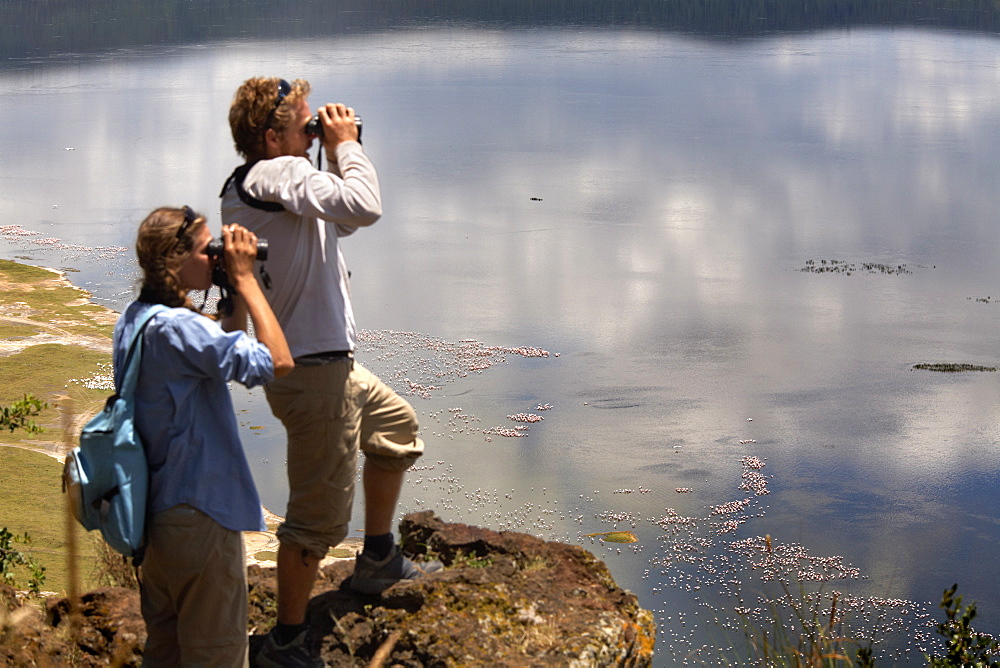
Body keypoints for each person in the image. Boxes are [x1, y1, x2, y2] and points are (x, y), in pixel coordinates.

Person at [221, 77, 441, 666]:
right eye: (305, 126)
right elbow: (365, 207)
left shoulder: (273, 181)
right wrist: (346, 146)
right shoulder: (274, 175)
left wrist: (328, 151)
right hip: (315, 375)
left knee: (396, 429)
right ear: (271, 137)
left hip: (328, 370)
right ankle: (287, 641)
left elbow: (339, 220)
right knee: (316, 520)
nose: (315, 130)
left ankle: (376, 559)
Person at [117, 206, 293, 666]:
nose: (215, 257)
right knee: (218, 655)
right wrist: (249, 282)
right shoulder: (179, 327)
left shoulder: (138, 320)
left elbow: (212, 355)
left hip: (157, 523)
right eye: (206, 250)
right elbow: (276, 363)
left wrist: (229, 294)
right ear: (175, 262)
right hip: (200, 518)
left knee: (167, 652)